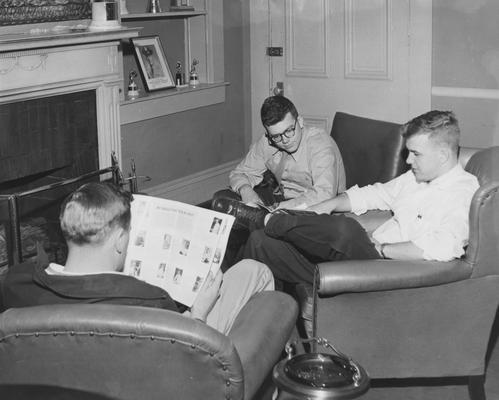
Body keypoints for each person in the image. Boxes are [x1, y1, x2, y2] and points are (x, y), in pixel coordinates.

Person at [1, 182, 274, 335]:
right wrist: (200, 311)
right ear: (121, 241)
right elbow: (186, 351)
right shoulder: (148, 299)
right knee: (255, 271)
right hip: (178, 354)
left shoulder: (17, 283)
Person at [242, 110, 480, 285]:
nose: (408, 161)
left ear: (442, 155)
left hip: (390, 268)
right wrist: (330, 204)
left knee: (346, 230)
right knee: (262, 243)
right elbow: (375, 194)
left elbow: (445, 246)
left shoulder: (464, 192)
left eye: (416, 154)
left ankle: (269, 218)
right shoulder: (415, 178)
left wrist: (384, 249)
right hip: (361, 259)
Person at [212, 95, 346, 218]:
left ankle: (261, 223)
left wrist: (280, 208)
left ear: (299, 121)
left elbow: (325, 195)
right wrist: (246, 190)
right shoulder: (268, 142)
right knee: (221, 199)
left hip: (316, 208)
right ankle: (260, 221)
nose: (285, 140)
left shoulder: (320, 144)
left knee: (258, 234)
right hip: (282, 200)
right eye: (276, 136)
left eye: (289, 130)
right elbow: (239, 173)